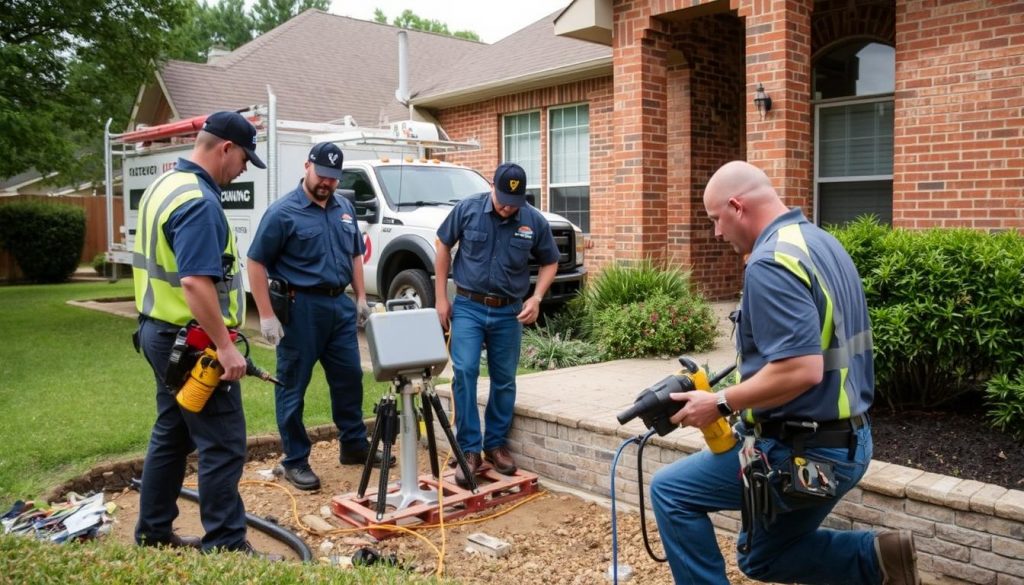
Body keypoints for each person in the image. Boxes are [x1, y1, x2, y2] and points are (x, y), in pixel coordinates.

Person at [649, 161, 919, 585]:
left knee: (671, 493)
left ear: (737, 206)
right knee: (762, 559)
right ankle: (878, 558)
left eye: (716, 219)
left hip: (806, 452)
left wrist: (719, 403)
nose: (717, 233)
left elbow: (801, 369)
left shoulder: (771, 262)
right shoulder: (821, 242)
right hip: (851, 439)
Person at [133, 111, 265, 553]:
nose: (245, 168)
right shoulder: (200, 202)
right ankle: (227, 545)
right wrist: (226, 348)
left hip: (158, 331)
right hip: (192, 343)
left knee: (172, 433)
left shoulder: (165, 186)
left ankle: (153, 533)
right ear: (225, 148)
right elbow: (194, 281)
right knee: (223, 443)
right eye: (245, 158)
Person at [247, 142, 392, 492]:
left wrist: (360, 297)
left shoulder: (343, 206)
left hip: (338, 308)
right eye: (322, 175)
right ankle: (295, 460)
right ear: (307, 166)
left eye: (333, 177)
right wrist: (266, 315)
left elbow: (355, 253)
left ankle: (353, 444)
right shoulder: (283, 212)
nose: (327, 183)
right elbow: (255, 262)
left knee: (348, 378)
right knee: (292, 386)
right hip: (300, 310)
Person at [434, 162, 560, 488]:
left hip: (509, 312)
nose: (507, 207)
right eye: (503, 199)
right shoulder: (468, 210)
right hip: (469, 306)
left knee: (504, 380)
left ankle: (495, 445)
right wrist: (440, 298)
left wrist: (537, 298)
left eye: (513, 203)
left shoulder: (532, 220)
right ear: (493, 186)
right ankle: (469, 450)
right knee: (464, 373)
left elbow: (550, 260)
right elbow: (442, 244)